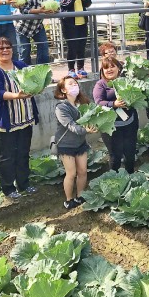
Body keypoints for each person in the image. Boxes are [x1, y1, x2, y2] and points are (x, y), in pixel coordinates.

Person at [0, 37, 39, 200]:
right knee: (6, 155)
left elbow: (33, 81)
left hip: (25, 117)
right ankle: (8, 188)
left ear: (12, 49)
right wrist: (17, 95)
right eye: (0, 48)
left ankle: (24, 184)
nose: (4, 50)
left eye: (7, 47)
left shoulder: (21, 65)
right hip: (4, 121)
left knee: (23, 152)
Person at [53, 75, 96, 210]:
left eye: (75, 83)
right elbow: (71, 126)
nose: (74, 86)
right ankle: (69, 199)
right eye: (70, 84)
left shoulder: (83, 103)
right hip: (66, 145)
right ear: (63, 90)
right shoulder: (61, 107)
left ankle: (80, 195)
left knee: (83, 171)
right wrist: (86, 130)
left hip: (80, 144)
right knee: (71, 173)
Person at [93, 56, 138, 173]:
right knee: (115, 156)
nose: (109, 70)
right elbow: (98, 101)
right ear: (102, 71)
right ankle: (114, 180)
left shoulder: (127, 81)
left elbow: (138, 94)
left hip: (129, 123)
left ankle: (131, 177)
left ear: (119, 68)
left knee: (130, 154)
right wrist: (114, 104)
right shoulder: (101, 84)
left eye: (112, 66)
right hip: (111, 127)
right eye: (106, 68)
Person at [15, 0, 55, 65]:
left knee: (44, 50)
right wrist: (39, 11)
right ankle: (24, 77)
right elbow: (22, 10)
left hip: (37, 26)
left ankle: (41, 74)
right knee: (24, 52)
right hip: (22, 26)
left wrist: (54, 10)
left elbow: (56, 6)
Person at [59, 0, 92, 78]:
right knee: (72, 47)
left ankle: (81, 68)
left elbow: (88, 4)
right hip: (69, 24)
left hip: (82, 23)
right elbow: (64, 5)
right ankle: (71, 69)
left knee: (81, 47)